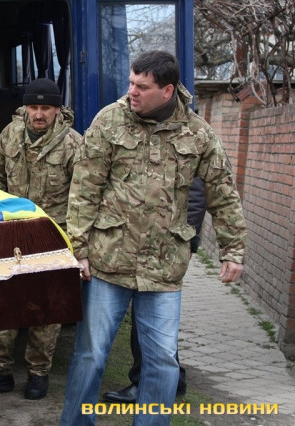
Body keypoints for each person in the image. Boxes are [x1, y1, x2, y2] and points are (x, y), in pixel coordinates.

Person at [60, 50, 247, 426]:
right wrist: (78, 249)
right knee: (91, 354)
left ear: (167, 91)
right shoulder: (109, 121)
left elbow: (222, 191)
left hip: (163, 267)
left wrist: (233, 249)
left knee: (162, 360)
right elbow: (84, 188)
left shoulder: (197, 133)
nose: (131, 91)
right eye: (131, 83)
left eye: (142, 87)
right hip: (109, 261)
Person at [0, 78, 83, 400]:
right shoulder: (10, 134)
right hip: (11, 227)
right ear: (26, 108)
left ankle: (38, 374)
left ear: (57, 110)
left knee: (47, 306)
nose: (39, 114)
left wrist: (75, 238)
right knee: (1, 297)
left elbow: (83, 193)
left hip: (53, 232)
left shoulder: (73, 144)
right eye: (33, 107)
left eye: (45, 107)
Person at [103, 177, 206, 404]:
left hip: (164, 246)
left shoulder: (191, 153)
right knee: (152, 318)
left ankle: (147, 382)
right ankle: (169, 380)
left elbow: (196, 195)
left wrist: (190, 240)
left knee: (150, 315)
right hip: (135, 241)